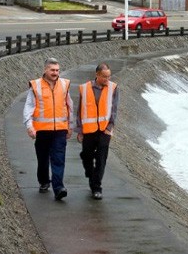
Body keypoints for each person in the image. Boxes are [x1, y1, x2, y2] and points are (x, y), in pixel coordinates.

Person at [23, 57, 73, 201]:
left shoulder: (64, 85)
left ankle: (59, 188)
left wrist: (70, 126)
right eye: (52, 70)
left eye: (57, 70)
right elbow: (29, 107)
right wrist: (29, 126)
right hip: (42, 130)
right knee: (43, 158)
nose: (55, 73)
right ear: (45, 70)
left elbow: (69, 106)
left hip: (60, 130)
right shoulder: (36, 86)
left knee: (58, 158)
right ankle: (44, 181)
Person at [76, 63, 119, 200]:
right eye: (104, 76)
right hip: (88, 130)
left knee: (101, 159)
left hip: (104, 131)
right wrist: (80, 130)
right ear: (97, 75)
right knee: (86, 157)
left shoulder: (113, 88)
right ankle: (91, 176)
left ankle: (97, 187)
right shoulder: (84, 88)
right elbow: (80, 110)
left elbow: (114, 109)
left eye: (109, 76)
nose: (107, 79)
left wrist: (109, 127)